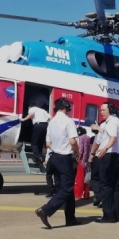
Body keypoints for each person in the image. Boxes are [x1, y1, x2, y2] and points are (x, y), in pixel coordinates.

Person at [35, 98, 81, 229]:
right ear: (67, 108)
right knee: (67, 189)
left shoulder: (52, 122)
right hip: (63, 158)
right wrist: (78, 152)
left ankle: (70, 218)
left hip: (54, 157)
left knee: (65, 188)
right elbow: (73, 141)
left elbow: (48, 143)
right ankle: (45, 210)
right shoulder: (68, 121)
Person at [90, 102, 119, 223]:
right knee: (117, 186)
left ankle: (108, 215)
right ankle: (116, 214)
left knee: (105, 185)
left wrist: (105, 148)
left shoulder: (111, 122)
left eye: (103, 110)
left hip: (109, 156)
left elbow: (113, 138)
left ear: (110, 110)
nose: (101, 112)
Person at [74, 126, 91, 200]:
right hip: (87, 160)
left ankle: (78, 194)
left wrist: (77, 157)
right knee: (86, 179)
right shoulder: (87, 137)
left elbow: (80, 150)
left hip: (81, 161)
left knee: (79, 179)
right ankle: (86, 194)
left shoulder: (81, 138)